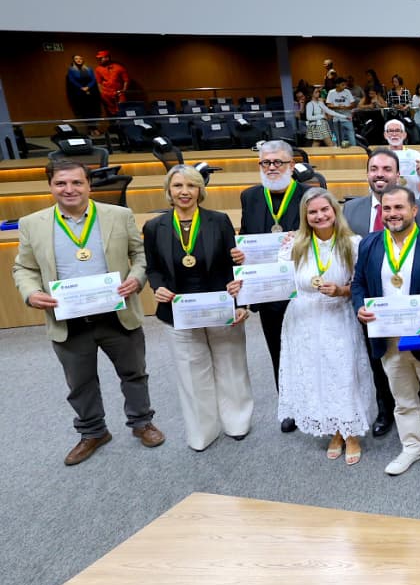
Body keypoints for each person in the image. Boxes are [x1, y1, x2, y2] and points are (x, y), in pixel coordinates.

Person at [13, 159, 164, 465]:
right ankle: (93, 432)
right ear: (51, 186)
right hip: (67, 319)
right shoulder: (33, 223)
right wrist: (31, 294)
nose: (69, 189)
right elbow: (24, 268)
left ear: (88, 185)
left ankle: (141, 423)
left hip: (117, 314)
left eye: (76, 182)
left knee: (134, 373)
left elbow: (140, 254)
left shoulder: (118, 215)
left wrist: (137, 277)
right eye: (61, 183)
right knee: (79, 382)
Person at [351, 186, 420, 477]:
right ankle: (412, 445)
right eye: (387, 208)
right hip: (388, 338)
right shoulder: (370, 244)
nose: (392, 214)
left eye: (399, 208)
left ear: (414, 210)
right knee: (403, 399)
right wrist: (359, 308)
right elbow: (359, 284)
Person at [144, 165, 251, 451]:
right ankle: (203, 431)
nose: (184, 192)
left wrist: (241, 302)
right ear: (168, 191)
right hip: (178, 311)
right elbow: (153, 268)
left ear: (200, 191)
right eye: (178, 186)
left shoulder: (219, 220)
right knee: (191, 372)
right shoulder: (155, 227)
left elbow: (235, 265)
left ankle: (237, 421)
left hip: (220, 307)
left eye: (191, 186)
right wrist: (157, 287)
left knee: (230, 364)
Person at [342, 149, 420, 438]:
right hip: (373, 305)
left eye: (387, 168)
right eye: (374, 168)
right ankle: (385, 411)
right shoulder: (351, 209)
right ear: (368, 173)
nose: (380, 173)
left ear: (398, 174)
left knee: (413, 360)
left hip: (410, 304)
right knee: (378, 360)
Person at [276, 188, 374, 465]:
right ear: (305, 216)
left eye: (324, 210)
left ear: (335, 211)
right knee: (314, 375)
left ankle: (350, 432)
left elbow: (361, 285)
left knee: (343, 373)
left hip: (338, 316)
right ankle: (333, 430)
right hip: (304, 319)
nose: (319, 216)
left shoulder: (352, 243)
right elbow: (280, 281)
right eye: (313, 212)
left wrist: (342, 291)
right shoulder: (293, 244)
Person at [233, 141, 303, 430]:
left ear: (291, 164)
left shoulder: (308, 194)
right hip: (266, 290)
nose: (272, 167)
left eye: (278, 162)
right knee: (277, 348)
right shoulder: (249, 197)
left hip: (301, 288)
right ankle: (288, 404)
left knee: (307, 347)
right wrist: (240, 254)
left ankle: (313, 401)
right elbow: (247, 235)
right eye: (266, 163)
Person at [382, 118, 420, 195]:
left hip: (413, 199)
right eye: (391, 131)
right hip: (388, 200)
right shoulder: (380, 157)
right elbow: (372, 188)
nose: (394, 134)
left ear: (404, 135)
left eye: (398, 130)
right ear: (385, 135)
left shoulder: (415, 155)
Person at [65, 54, 100, 128]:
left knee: (93, 110)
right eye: (76, 58)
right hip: (79, 93)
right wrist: (81, 87)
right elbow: (72, 80)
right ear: (74, 60)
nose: (78, 60)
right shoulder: (71, 69)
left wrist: (88, 87)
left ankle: (95, 128)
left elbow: (93, 79)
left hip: (90, 91)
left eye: (80, 58)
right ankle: (91, 129)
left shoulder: (89, 68)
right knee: (84, 111)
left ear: (83, 59)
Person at [93, 50, 129, 119]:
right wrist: (102, 92)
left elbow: (126, 80)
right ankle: (115, 126)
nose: (100, 60)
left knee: (122, 108)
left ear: (107, 58)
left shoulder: (119, 67)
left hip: (118, 92)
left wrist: (124, 90)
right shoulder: (98, 69)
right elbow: (99, 82)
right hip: (106, 93)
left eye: (101, 58)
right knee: (111, 111)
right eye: (99, 58)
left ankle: (124, 125)